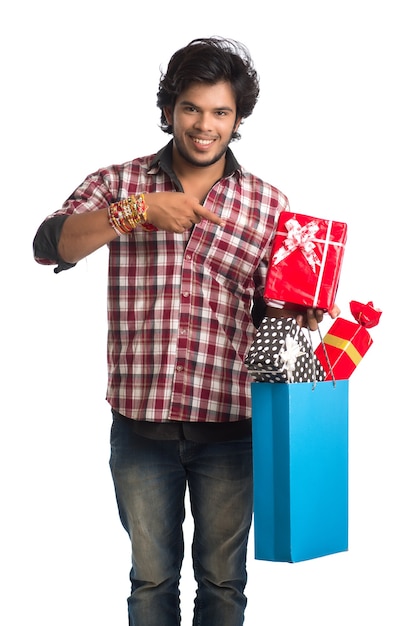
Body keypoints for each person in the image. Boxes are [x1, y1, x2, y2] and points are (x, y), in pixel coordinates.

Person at [33, 37, 333, 626]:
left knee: (223, 584)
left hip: (232, 429)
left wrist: (296, 314)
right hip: (141, 429)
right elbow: (48, 245)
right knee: (151, 582)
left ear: (238, 119)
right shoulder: (121, 182)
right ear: (170, 109)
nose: (204, 125)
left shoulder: (269, 206)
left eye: (220, 112)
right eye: (192, 108)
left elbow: (270, 313)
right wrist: (138, 212)